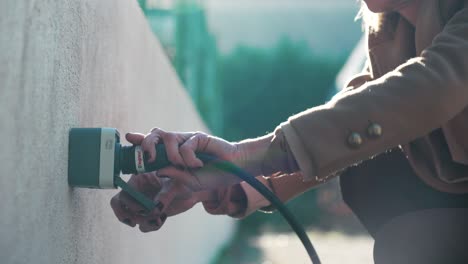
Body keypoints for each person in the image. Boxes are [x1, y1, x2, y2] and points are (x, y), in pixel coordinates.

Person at [111, 0, 468, 262]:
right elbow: (351, 121)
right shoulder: (390, 32)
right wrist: (224, 180)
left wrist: (246, 158)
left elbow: (433, 86)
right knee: (371, 166)